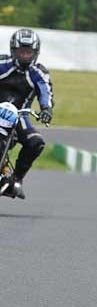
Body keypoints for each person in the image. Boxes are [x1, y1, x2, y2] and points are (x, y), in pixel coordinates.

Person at [0, 29, 53, 199]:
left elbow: (46, 91)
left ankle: (16, 179)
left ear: (35, 53)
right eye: (21, 51)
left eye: (28, 52)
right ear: (13, 50)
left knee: (36, 143)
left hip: (20, 116)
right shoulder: (2, 63)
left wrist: (46, 109)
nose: (24, 55)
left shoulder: (39, 72)